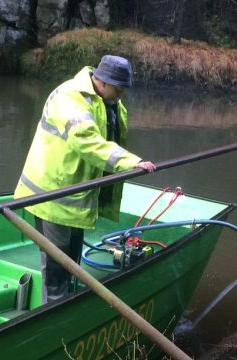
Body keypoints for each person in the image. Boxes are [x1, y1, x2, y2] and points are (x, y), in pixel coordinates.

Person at [14, 55, 157, 303]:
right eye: (118, 89)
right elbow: (88, 142)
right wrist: (130, 162)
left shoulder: (107, 101)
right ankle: (53, 316)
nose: (121, 95)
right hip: (51, 195)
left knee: (73, 259)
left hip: (76, 195)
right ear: (101, 82)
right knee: (57, 264)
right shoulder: (69, 99)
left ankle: (68, 304)